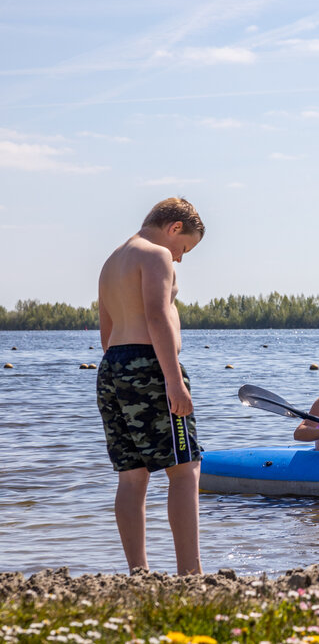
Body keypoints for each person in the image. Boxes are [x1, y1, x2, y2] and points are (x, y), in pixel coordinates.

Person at [96, 197, 205, 575]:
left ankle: (138, 574)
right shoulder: (155, 253)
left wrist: (121, 371)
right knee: (185, 467)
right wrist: (173, 381)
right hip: (150, 366)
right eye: (184, 247)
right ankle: (190, 574)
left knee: (132, 474)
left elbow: (105, 330)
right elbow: (158, 315)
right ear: (174, 227)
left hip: (112, 367)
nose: (179, 258)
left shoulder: (112, 261)